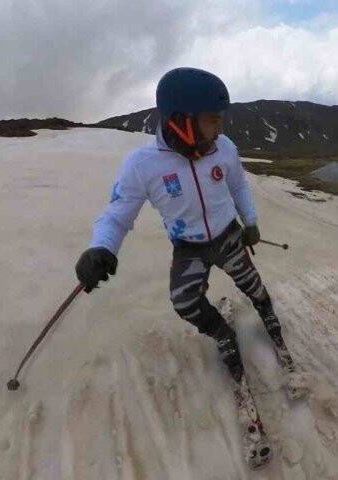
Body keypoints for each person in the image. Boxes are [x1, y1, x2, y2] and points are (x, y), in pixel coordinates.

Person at [75, 67, 286, 383]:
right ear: (183, 121)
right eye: (212, 119)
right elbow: (117, 216)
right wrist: (100, 248)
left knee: (251, 283)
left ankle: (266, 311)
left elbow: (239, 185)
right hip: (190, 247)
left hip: (229, 235)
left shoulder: (224, 148)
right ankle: (223, 335)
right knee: (185, 301)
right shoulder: (143, 165)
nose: (221, 127)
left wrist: (250, 221)